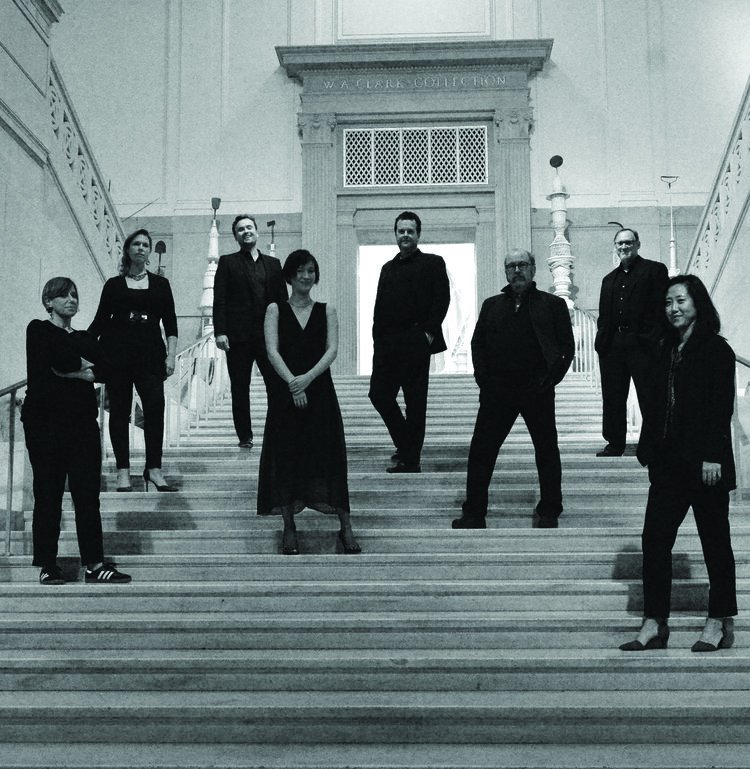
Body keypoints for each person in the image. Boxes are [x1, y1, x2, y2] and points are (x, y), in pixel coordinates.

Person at [620, 275, 737, 652]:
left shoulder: (716, 349)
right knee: (654, 542)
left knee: (715, 544)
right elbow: (654, 404)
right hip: (668, 463)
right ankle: (655, 622)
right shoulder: (663, 349)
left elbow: (721, 408)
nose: (673, 308)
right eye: (669, 302)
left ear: (697, 303)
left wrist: (713, 456)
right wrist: (649, 449)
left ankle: (718, 621)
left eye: (681, 301)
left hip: (705, 465)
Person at [452, 250, 575, 530]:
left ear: (533, 269)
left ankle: (549, 511)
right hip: (498, 390)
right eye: (511, 266)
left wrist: (551, 378)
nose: (517, 270)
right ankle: (474, 513)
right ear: (506, 271)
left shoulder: (552, 304)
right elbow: (478, 343)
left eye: (522, 265)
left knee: (546, 451)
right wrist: (483, 378)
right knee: (481, 451)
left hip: (538, 388)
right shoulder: (491, 305)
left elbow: (566, 347)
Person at [22, 277, 131, 585]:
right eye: (63, 295)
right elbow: (56, 358)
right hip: (44, 423)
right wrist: (87, 368)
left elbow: (109, 369)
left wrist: (76, 370)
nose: (71, 299)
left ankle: (95, 565)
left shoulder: (84, 336)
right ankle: (47, 564)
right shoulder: (38, 329)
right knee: (48, 495)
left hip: (82, 423)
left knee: (87, 496)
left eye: (74, 295)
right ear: (48, 301)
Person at [257, 250, 360, 556]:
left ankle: (346, 527)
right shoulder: (275, 309)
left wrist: (307, 379)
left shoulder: (327, 310)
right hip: (285, 395)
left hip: (320, 393)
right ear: (289, 276)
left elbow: (331, 351)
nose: (306, 276)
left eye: (311, 271)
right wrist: (292, 382)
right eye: (301, 271)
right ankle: (289, 528)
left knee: (329, 457)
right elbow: (272, 351)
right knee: (287, 458)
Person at [89, 228, 179, 492]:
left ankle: (154, 469)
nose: (141, 248)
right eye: (136, 244)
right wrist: (77, 345)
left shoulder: (161, 284)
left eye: (145, 245)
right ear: (128, 249)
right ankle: (123, 472)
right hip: (117, 356)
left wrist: (171, 356)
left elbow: (171, 324)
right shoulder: (113, 285)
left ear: (149, 252)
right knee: (119, 412)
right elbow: (100, 322)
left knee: (155, 408)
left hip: (151, 356)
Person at [369, 211, 451, 473]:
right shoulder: (387, 268)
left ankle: (411, 459)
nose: (405, 235)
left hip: (415, 341)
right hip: (387, 345)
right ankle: (407, 445)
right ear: (395, 234)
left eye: (410, 231)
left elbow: (442, 300)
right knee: (379, 395)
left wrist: (426, 334)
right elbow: (379, 306)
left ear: (418, 234)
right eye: (401, 231)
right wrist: (377, 340)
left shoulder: (433, 262)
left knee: (415, 403)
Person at [213, 215, 288, 448]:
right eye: (240, 229)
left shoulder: (273, 264)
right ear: (235, 236)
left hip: (268, 337)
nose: (246, 231)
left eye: (249, 227)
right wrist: (220, 331)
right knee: (240, 387)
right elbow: (220, 299)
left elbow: (282, 301)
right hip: (237, 338)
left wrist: (284, 332)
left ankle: (276, 432)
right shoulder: (227, 262)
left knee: (276, 385)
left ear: (257, 232)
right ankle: (245, 436)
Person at [595, 228, 669, 456]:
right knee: (613, 396)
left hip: (642, 344)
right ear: (615, 247)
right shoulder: (608, 280)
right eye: (619, 244)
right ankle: (615, 443)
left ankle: (656, 443)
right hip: (613, 345)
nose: (624, 247)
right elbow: (603, 315)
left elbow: (661, 307)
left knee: (650, 395)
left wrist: (656, 339)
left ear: (638, 244)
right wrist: (601, 342)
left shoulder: (654, 270)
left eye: (628, 243)